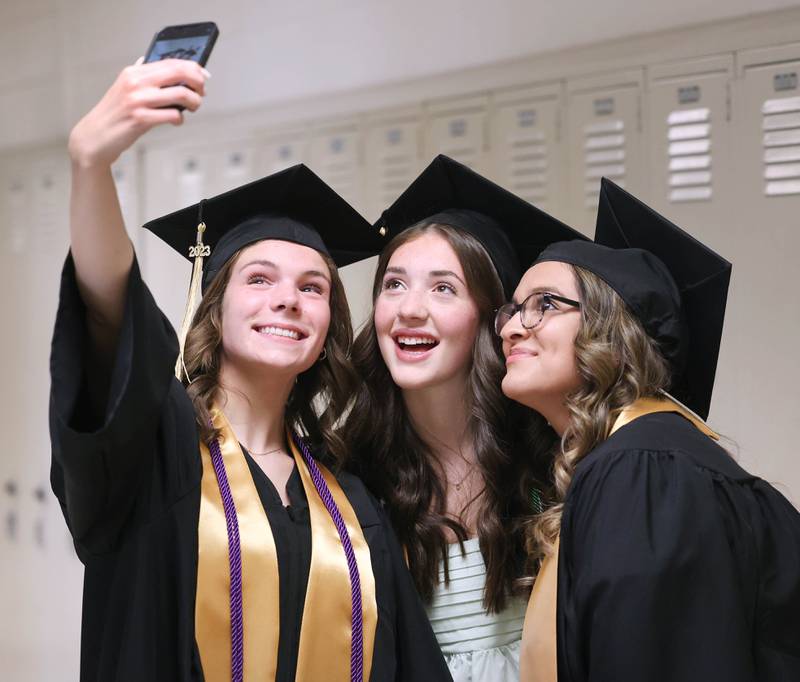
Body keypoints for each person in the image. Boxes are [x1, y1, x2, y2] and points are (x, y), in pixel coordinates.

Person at [49, 59, 452, 682]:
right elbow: (108, 317)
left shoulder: (351, 498)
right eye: (259, 279)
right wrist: (91, 164)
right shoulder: (157, 455)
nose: (288, 299)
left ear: (326, 332)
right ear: (214, 306)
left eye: (313, 287)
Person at [496, 178, 800, 681]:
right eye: (512, 308)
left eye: (545, 304)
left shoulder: (643, 473)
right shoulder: (637, 460)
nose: (510, 327)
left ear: (613, 333)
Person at [344, 155, 584, 681]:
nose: (410, 309)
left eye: (443, 288)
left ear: (491, 316)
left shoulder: (550, 459)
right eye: (394, 284)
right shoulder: (350, 478)